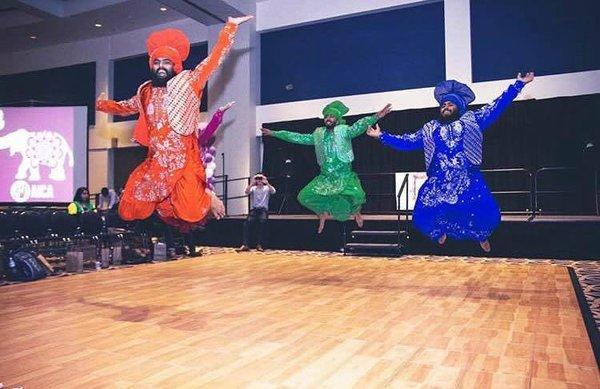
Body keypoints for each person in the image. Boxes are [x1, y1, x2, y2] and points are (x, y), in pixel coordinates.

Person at [96, 15, 253, 233]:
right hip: (157, 161)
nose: (161, 66)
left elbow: (214, 60)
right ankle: (179, 200)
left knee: (189, 209)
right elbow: (124, 106)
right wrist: (102, 104)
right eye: (157, 62)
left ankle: (207, 196)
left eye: (166, 62)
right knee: (131, 206)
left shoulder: (189, 82)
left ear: (176, 65)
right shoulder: (145, 91)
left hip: (184, 158)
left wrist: (230, 28)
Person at [368, 72, 535, 252]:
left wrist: (518, 85)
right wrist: (382, 136)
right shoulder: (430, 128)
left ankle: (481, 236)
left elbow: (496, 107)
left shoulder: (472, 120)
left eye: (450, 104)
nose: (446, 106)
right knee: (424, 211)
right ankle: (439, 231)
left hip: (467, 176)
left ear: (460, 106)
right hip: (439, 180)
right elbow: (407, 141)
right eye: (443, 104)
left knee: (482, 211)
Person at [261, 101, 392, 233]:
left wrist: (376, 116)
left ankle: (356, 212)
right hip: (326, 178)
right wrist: (275, 133)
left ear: (337, 118)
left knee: (357, 195)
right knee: (304, 196)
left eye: (331, 116)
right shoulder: (318, 134)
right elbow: (298, 137)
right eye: (326, 116)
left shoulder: (344, 131)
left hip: (344, 176)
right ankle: (322, 213)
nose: (328, 118)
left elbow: (359, 126)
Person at [237, 173, 276, 252]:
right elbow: (246, 192)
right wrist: (251, 183)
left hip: (263, 210)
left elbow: (273, 191)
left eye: (260, 178)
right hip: (254, 209)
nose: (259, 180)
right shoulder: (253, 188)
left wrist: (267, 183)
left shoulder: (266, 188)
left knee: (263, 222)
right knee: (247, 223)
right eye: (257, 178)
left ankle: (260, 244)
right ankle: (245, 245)